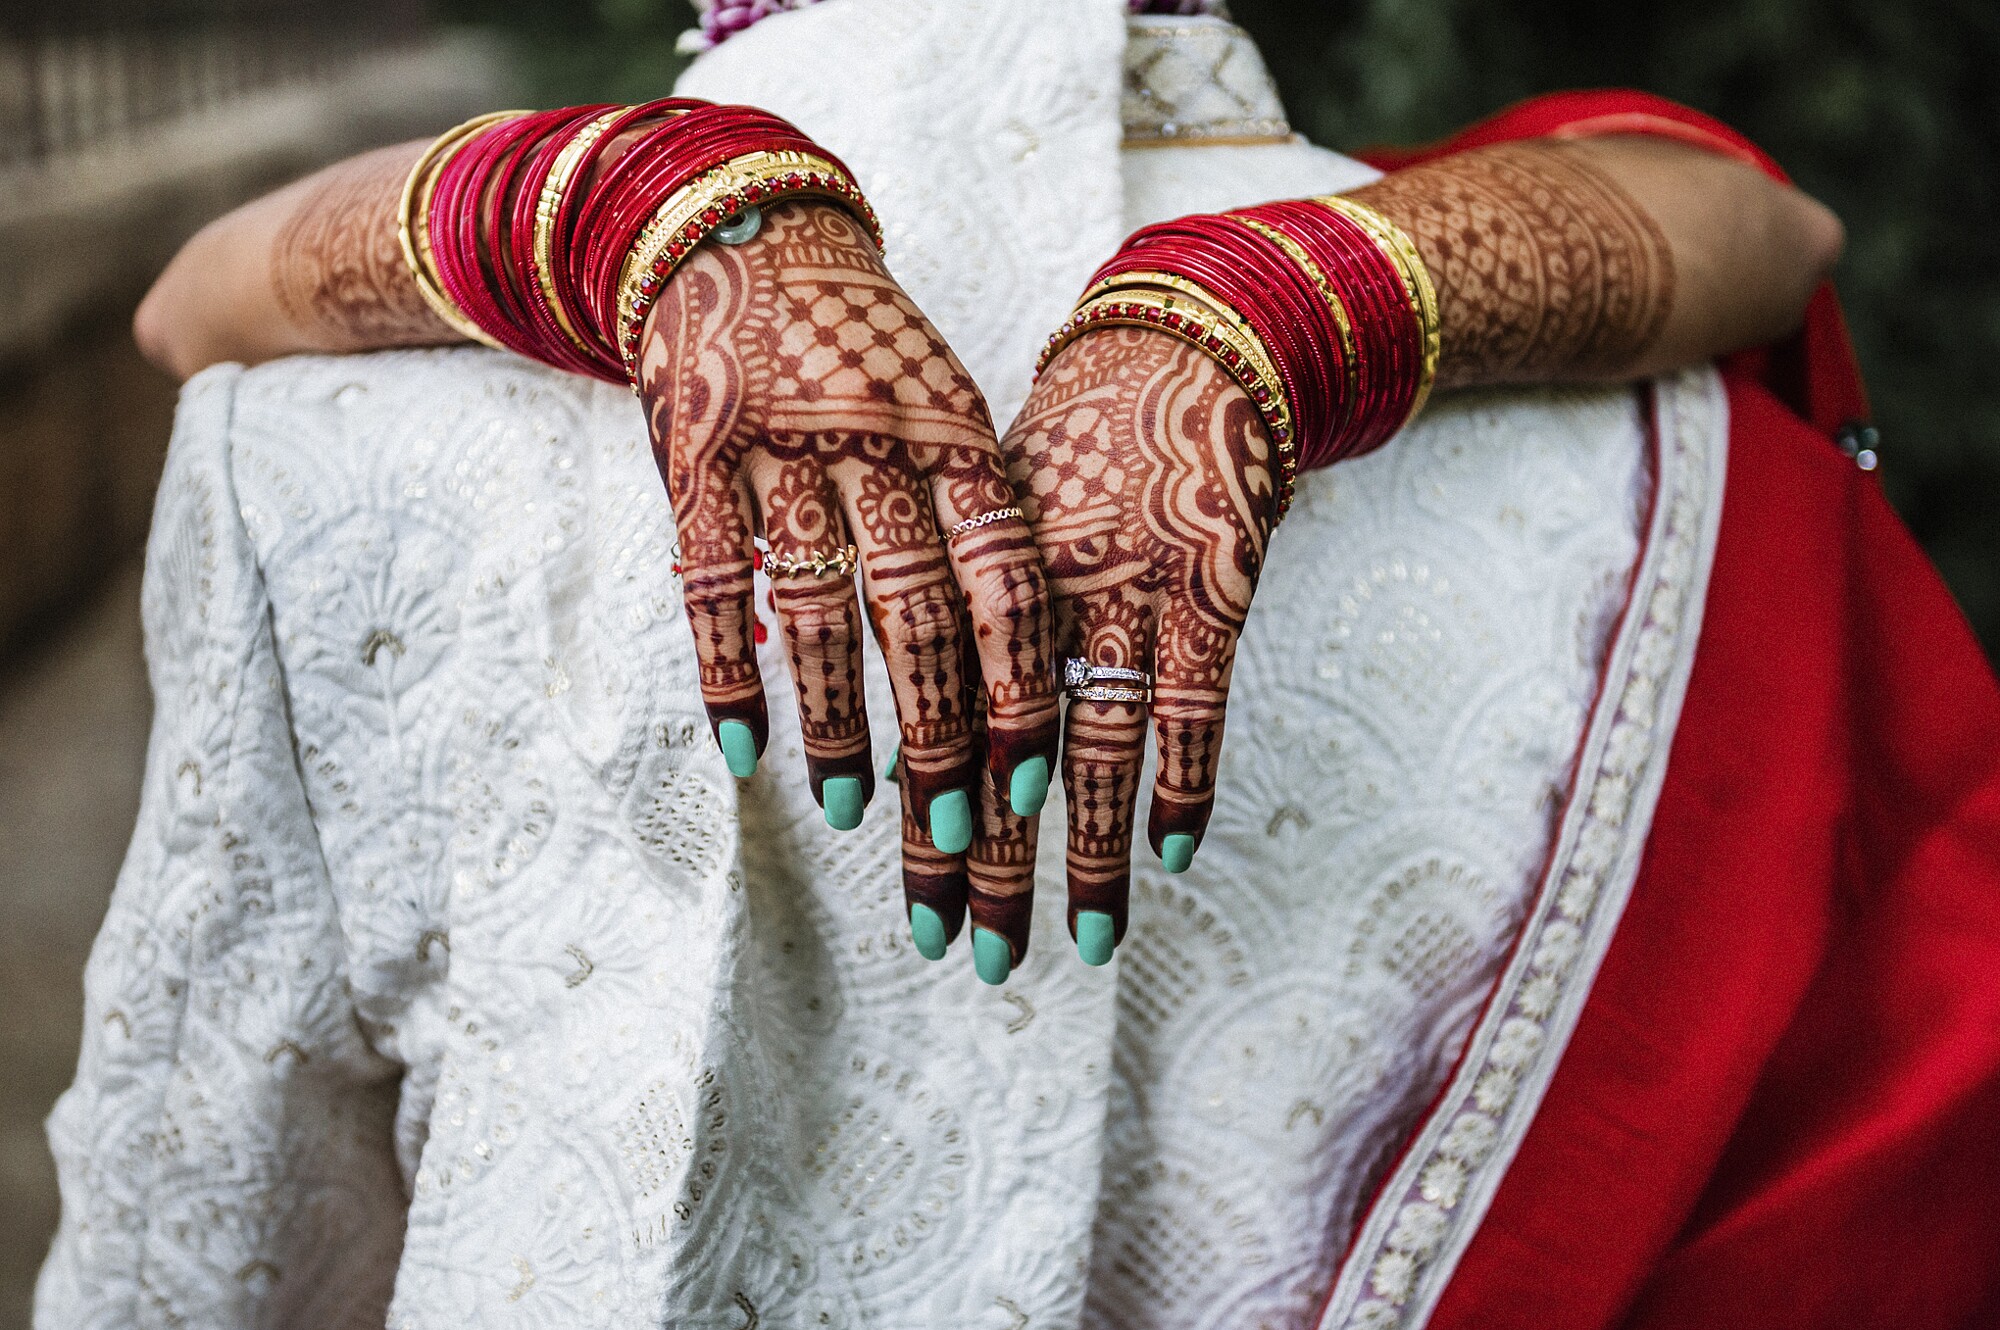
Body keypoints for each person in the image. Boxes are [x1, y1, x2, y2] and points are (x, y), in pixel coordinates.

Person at [39, 2, 2000, 1328]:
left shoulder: (320, 429)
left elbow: (206, 1241)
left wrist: (656, 208)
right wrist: (1263, 295)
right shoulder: (1684, 439)